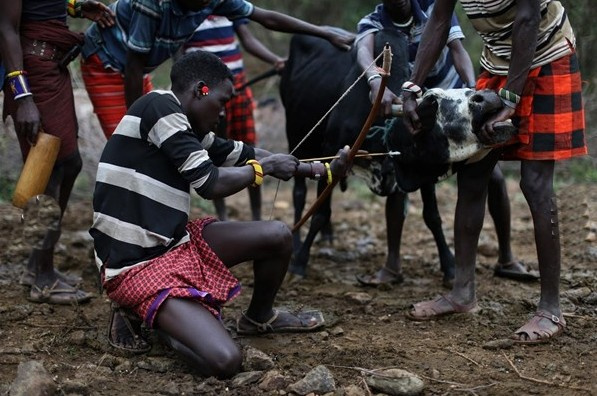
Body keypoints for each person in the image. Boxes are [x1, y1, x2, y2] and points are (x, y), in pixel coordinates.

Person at [80, 0, 354, 353]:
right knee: (225, 360)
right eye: (220, 102)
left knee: (277, 235)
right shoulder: (159, 107)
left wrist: (324, 168)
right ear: (199, 91)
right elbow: (210, 183)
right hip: (135, 266)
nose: (223, 113)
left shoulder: (189, 127)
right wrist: (265, 170)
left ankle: (258, 318)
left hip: (173, 247)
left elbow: (249, 153)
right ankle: (144, 311)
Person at [402, 0, 587, 343]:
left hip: (548, 58)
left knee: (534, 183)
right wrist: (412, 86)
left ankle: (550, 309)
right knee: (472, 173)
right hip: (498, 64)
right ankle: (462, 292)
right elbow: (440, 19)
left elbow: (528, 18)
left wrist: (511, 100)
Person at [354, 0, 532, 287]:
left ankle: (506, 258)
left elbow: (458, 51)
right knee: (399, 175)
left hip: (452, 108)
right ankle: (392, 264)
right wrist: (375, 78)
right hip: (412, 109)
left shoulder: (434, 9)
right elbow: (363, 51)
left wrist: (472, 91)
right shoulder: (373, 23)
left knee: (493, 177)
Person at [80, 0, 353, 140]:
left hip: (138, 69)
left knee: (154, 137)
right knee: (129, 138)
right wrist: (135, 121)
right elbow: (133, 64)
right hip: (106, 62)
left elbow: (265, 17)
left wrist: (324, 34)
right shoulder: (151, 4)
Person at [0, 0, 114, 304]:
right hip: (33, 72)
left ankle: (35, 265)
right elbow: (6, 27)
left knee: (70, 164)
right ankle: (43, 278)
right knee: (49, 169)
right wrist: (23, 97)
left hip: (53, 65)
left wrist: (75, 8)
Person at [183, 16, 286, 221]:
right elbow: (180, 58)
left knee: (248, 147)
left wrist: (275, 60)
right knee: (212, 149)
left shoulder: (229, 7)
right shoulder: (187, 11)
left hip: (236, 84)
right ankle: (222, 216)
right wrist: (204, 92)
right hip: (205, 90)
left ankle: (256, 216)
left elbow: (248, 40)